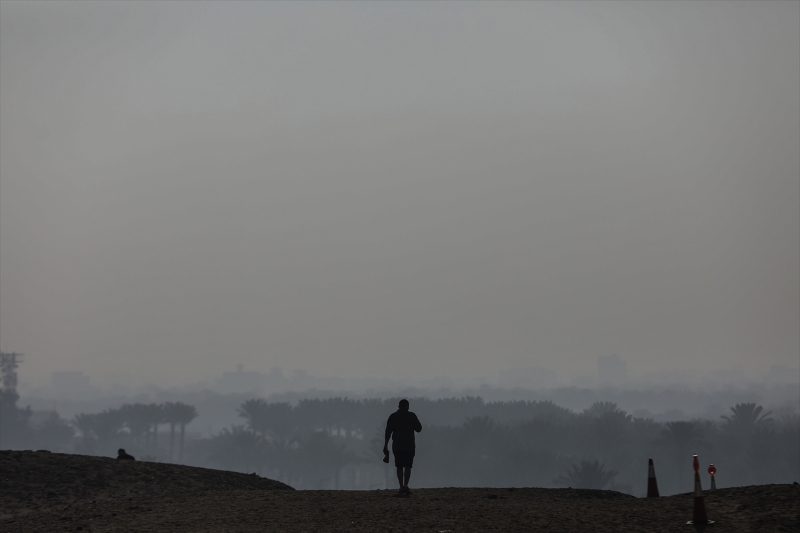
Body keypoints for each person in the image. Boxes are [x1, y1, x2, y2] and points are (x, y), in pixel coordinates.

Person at [383, 399, 422, 494]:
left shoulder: (393, 417)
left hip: (397, 446)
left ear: (398, 406)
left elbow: (388, 432)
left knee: (399, 466)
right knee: (408, 466)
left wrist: (385, 445)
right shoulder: (411, 416)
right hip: (409, 446)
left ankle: (401, 486)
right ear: (407, 406)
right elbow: (419, 429)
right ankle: (405, 485)